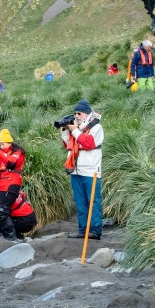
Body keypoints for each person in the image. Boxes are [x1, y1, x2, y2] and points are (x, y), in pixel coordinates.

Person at [0, 129, 36, 239]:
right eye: (0, 144)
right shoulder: (0, 155)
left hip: (10, 186)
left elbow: (11, 163)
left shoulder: (17, 152)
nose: (1, 146)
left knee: (0, 213)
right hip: (0, 187)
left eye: (3, 144)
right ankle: (15, 239)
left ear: (9, 142)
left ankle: (12, 239)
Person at [61, 100, 103, 240]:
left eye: (79, 113)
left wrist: (74, 130)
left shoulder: (96, 127)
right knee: (80, 202)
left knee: (93, 201)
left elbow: (88, 143)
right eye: (75, 113)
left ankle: (95, 230)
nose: (76, 116)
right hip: (76, 170)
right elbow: (68, 145)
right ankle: (83, 230)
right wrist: (65, 131)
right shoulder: (77, 128)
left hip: (91, 170)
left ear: (86, 113)